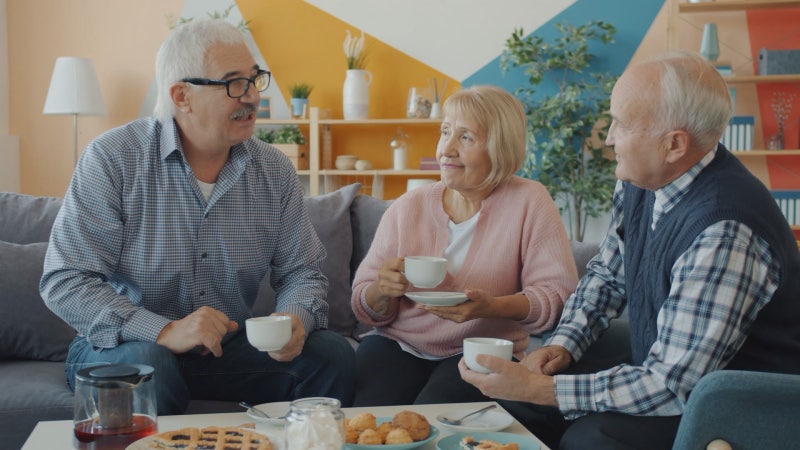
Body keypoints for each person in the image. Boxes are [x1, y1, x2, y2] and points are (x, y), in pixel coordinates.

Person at [459, 51, 800, 449]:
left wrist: (540, 389)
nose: (607, 138)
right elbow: (606, 277)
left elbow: (670, 386)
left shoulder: (725, 229)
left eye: (620, 125)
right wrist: (561, 347)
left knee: (589, 439)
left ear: (673, 144)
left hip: (739, 406)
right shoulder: (643, 178)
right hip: (667, 377)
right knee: (504, 410)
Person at [40, 18, 356, 414]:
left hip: (223, 350)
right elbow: (65, 280)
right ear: (181, 96)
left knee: (331, 353)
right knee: (151, 366)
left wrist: (295, 319)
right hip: (119, 346)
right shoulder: (112, 159)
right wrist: (165, 331)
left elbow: (302, 272)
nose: (251, 97)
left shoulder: (273, 170)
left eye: (254, 79)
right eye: (233, 83)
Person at [350, 85, 579, 406]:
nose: (446, 149)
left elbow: (558, 297)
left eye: (465, 137)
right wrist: (382, 290)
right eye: (445, 132)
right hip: (398, 343)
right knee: (373, 415)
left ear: (500, 147)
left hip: (481, 347)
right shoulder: (408, 205)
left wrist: (492, 307)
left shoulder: (530, 201)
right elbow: (363, 302)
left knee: (437, 412)